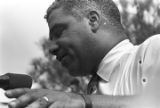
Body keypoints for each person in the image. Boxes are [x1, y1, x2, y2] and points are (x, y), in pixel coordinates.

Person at [5, 0, 160, 108]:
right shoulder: (90, 92)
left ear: (93, 20)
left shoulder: (153, 49)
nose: (51, 49)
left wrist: (83, 102)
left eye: (59, 33)